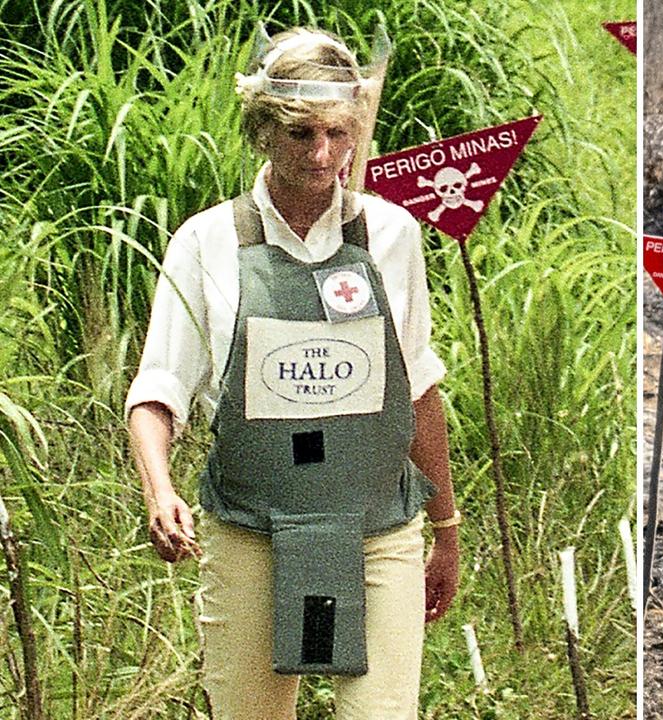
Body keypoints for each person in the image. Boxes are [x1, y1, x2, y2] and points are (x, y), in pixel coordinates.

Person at [125, 26, 459, 719]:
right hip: (252, 534)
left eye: (340, 133)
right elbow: (157, 389)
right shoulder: (207, 242)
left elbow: (419, 389)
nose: (323, 154)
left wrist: (447, 529)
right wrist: (160, 493)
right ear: (263, 130)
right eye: (302, 134)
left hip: (377, 533)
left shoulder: (392, 237)